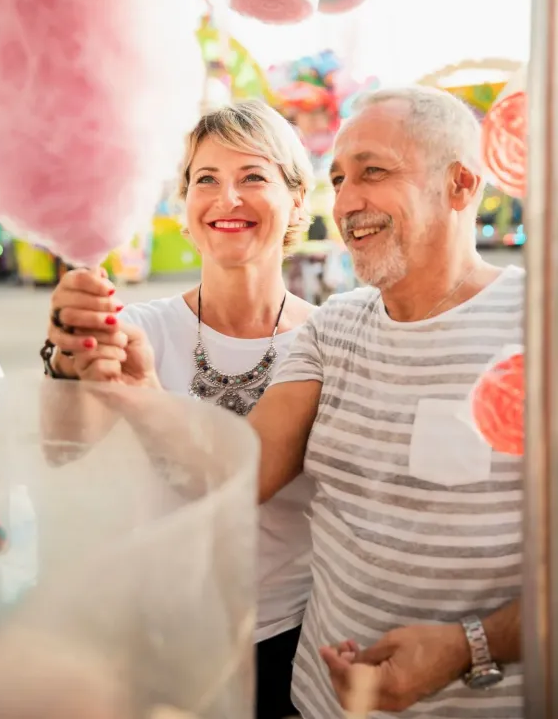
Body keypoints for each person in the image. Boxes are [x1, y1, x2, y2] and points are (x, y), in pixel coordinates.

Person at [76, 87, 523, 719]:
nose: (348, 202)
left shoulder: (536, 325)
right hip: (317, 697)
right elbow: (236, 476)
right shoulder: (334, 327)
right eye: (339, 178)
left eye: (373, 171)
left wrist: (466, 647)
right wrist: (141, 391)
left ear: (460, 184)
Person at [40, 100, 316, 719]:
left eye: (253, 177)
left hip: (284, 639)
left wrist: (144, 396)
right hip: (154, 636)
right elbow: (64, 445)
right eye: (206, 180)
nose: (227, 198)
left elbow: (243, 478)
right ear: (184, 208)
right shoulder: (139, 326)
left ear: (298, 201)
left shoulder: (327, 340)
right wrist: (66, 356)